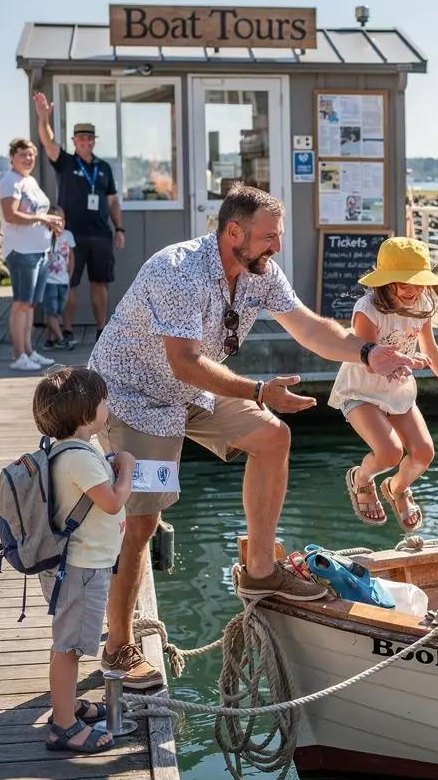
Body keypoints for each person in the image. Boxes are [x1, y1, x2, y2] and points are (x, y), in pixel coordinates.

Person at [90, 184, 416, 691]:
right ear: (233, 232)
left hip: (193, 391)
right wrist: (260, 389)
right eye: (269, 237)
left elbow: (310, 328)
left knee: (272, 437)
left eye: (279, 237)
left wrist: (368, 353)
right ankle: (116, 649)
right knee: (143, 521)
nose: (277, 247)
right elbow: (185, 362)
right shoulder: (178, 271)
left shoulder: (259, 272)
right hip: (137, 395)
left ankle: (261, 570)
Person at [330, 236, 438, 531]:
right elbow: (369, 360)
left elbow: (431, 350)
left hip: (398, 390)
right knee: (389, 453)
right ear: (385, 281)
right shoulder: (367, 310)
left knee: (423, 453)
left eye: (418, 282)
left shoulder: (421, 304)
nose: (412, 290)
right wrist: (404, 361)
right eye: (403, 282)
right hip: (362, 388)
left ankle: (396, 488)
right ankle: (361, 479)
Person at [32, 366, 135, 754]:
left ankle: (67, 703)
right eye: (104, 401)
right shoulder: (81, 457)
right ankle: (63, 725)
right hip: (81, 567)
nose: (107, 406)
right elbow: (111, 502)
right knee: (70, 646)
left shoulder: (65, 450)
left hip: (71, 564)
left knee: (66, 639)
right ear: (87, 413)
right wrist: (125, 468)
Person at [32, 92, 125, 344]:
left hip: (101, 235)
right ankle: (68, 329)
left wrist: (119, 229)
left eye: (89, 137)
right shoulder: (65, 162)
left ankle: (101, 329)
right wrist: (43, 117)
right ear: (74, 140)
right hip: (70, 235)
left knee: (100, 285)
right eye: (81, 137)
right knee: (69, 285)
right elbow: (48, 142)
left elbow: (112, 201)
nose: (85, 141)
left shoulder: (103, 168)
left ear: (94, 141)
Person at [0, 137, 61, 372]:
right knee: (21, 304)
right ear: (12, 157)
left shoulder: (30, 181)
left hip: (39, 250)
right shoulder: (10, 182)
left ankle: (28, 351)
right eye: (23, 154)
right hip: (21, 251)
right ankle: (18, 356)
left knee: (31, 305)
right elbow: (11, 215)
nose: (28, 158)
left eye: (32, 154)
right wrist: (43, 218)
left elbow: (39, 212)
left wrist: (51, 222)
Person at [43, 206, 76, 348]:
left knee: (58, 311)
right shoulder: (44, 236)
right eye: (55, 221)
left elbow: (71, 257)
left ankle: (50, 340)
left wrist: (70, 275)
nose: (59, 224)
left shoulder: (68, 235)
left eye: (61, 220)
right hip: (49, 281)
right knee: (51, 311)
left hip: (63, 280)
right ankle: (61, 339)